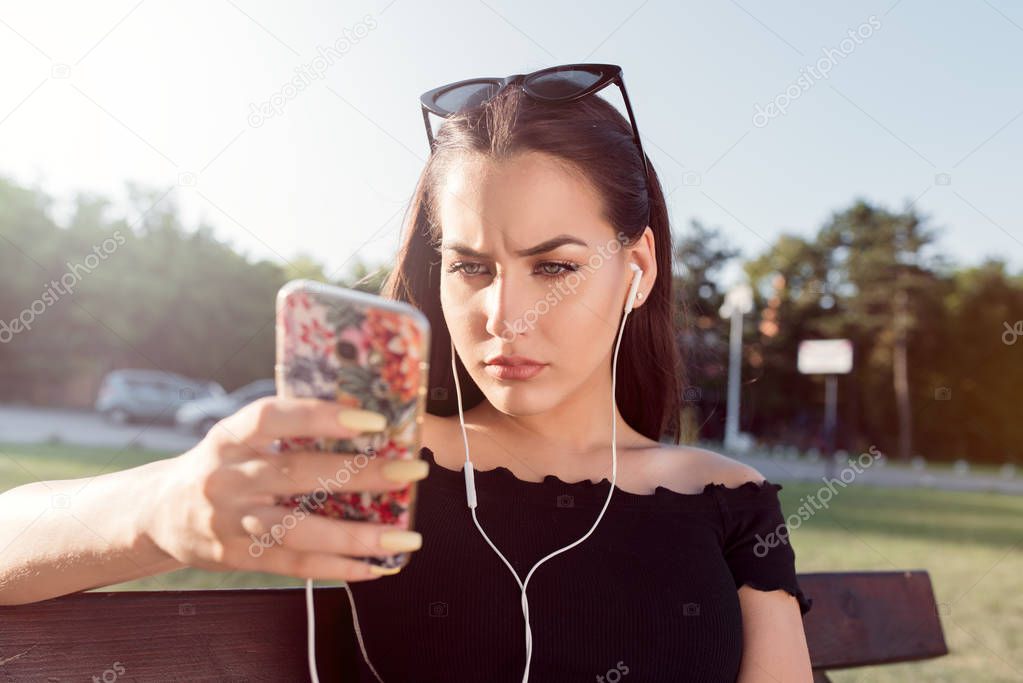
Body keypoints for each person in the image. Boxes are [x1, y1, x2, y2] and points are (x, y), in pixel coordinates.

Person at [0, 65, 813, 682]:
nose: (503, 315)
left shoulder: (726, 500)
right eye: (470, 266)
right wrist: (167, 506)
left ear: (635, 266)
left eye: (555, 266)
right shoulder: (365, 455)